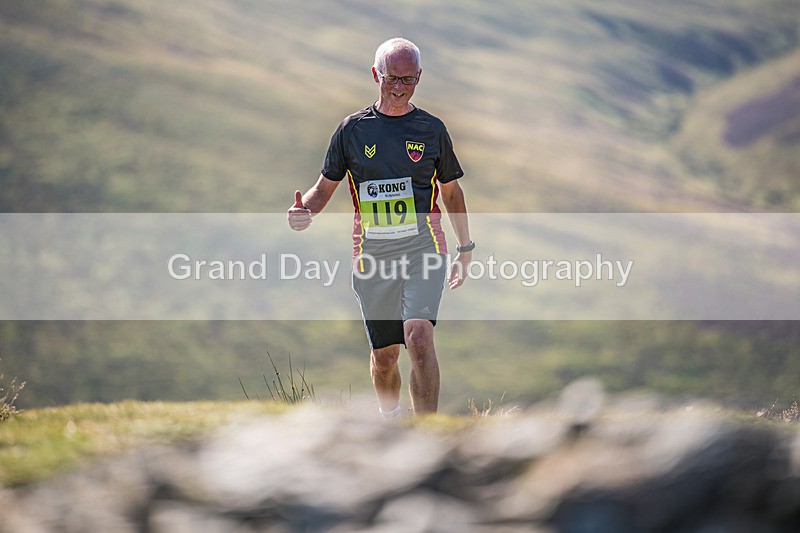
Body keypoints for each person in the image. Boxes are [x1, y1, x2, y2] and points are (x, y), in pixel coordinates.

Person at [287, 37, 473, 415]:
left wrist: (465, 248)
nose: (401, 88)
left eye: (409, 80)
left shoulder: (431, 130)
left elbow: (452, 193)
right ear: (376, 75)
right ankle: (390, 424)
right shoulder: (352, 131)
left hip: (424, 247)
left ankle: (427, 435)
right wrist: (303, 211)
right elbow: (324, 190)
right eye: (392, 79)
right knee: (385, 357)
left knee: (419, 338)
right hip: (372, 254)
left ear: (419, 77)